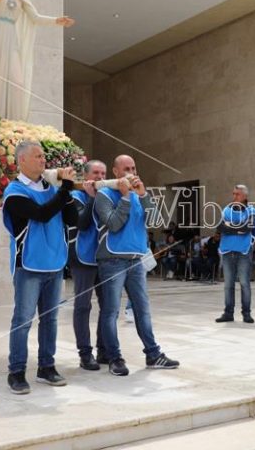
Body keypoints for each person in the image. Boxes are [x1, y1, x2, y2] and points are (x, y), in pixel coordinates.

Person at [2, 141, 78, 394]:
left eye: (44, 156)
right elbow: (42, 214)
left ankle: (46, 367)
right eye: (38, 156)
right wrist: (64, 189)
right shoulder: (14, 192)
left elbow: (72, 219)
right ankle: (16, 371)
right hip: (29, 266)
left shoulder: (53, 189)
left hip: (55, 264)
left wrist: (69, 192)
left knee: (50, 320)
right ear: (21, 160)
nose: (44, 160)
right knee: (23, 320)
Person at [95, 155, 179, 376]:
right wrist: (124, 197)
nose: (131, 172)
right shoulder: (104, 195)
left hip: (136, 260)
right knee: (111, 311)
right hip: (112, 260)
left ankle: (153, 354)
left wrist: (143, 196)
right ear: (115, 171)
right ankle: (114, 358)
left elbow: (157, 223)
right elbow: (113, 224)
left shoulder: (139, 196)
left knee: (142, 310)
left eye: (133, 168)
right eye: (126, 169)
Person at [68, 159, 107, 371]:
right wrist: (92, 199)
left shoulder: (108, 195)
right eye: (96, 173)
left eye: (103, 173)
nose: (100, 178)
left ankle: (104, 350)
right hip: (82, 257)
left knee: (108, 306)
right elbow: (81, 223)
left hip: (104, 257)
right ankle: (85, 354)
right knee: (83, 306)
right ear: (85, 177)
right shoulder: (75, 197)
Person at [216, 185, 255, 324]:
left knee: (245, 284)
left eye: (238, 194)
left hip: (243, 252)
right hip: (227, 251)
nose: (234, 196)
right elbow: (220, 227)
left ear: (245, 196)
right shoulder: (226, 210)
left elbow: (248, 228)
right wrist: (238, 227)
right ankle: (228, 313)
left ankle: (246, 314)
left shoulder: (252, 211)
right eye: (233, 193)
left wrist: (231, 226)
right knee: (228, 284)